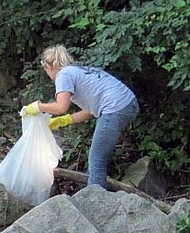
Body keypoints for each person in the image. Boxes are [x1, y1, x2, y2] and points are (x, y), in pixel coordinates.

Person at [22, 44, 139, 189]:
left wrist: (38, 106)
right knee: (97, 158)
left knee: (96, 158)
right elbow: (91, 111)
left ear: (49, 66)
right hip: (128, 104)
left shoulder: (63, 75)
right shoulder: (78, 71)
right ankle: (91, 192)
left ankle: (96, 202)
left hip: (115, 108)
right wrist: (63, 121)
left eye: (44, 68)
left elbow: (61, 107)